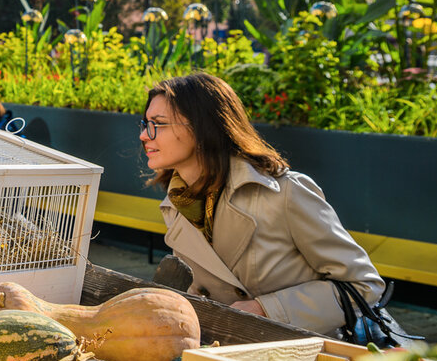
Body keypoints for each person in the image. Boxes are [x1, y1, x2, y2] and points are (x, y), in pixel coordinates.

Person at [142, 72, 383, 335]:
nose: (145, 135)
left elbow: (363, 285)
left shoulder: (284, 193)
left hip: (299, 358)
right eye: (145, 124)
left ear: (202, 127)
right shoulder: (178, 204)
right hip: (226, 355)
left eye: (158, 124)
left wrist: (265, 310)